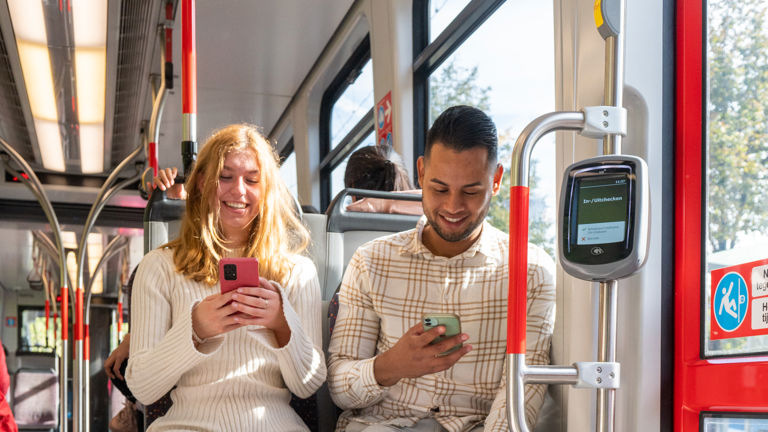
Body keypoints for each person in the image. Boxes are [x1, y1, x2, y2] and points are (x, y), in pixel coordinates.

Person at [327, 105, 556, 431]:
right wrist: (390, 366)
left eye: (471, 191)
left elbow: (517, 402)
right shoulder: (370, 261)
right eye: (439, 189)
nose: (452, 207)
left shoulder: (530, 271)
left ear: (496, 181)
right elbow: (338, 389)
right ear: (421, 173)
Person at [125, 124, 326, 431]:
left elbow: (307, 385)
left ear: (266, 190)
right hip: (186, 424)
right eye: (225, 177)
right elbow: (143, 387)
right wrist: (194, 330)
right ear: (202, 182)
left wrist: (282, 324)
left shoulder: (297, 272)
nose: (239, 190)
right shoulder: (159, 267)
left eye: (252, 180)